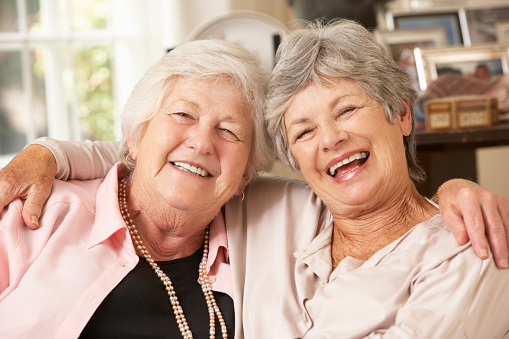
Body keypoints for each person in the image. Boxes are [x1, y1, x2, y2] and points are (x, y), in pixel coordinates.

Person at [1, 21, 509, 339]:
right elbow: (164, 156)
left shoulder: (470, 245)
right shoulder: (37, 218)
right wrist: (47, 152)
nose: (329, 140)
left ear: (401, 114)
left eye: (348, 110)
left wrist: (452, 190)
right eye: (304, 130)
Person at [0, 38, 273, 338]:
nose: (202, 143)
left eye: (229, 131)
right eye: (183, 114)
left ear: (246, 175)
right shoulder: (34, 219)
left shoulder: (259, 257)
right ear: (135, 136)